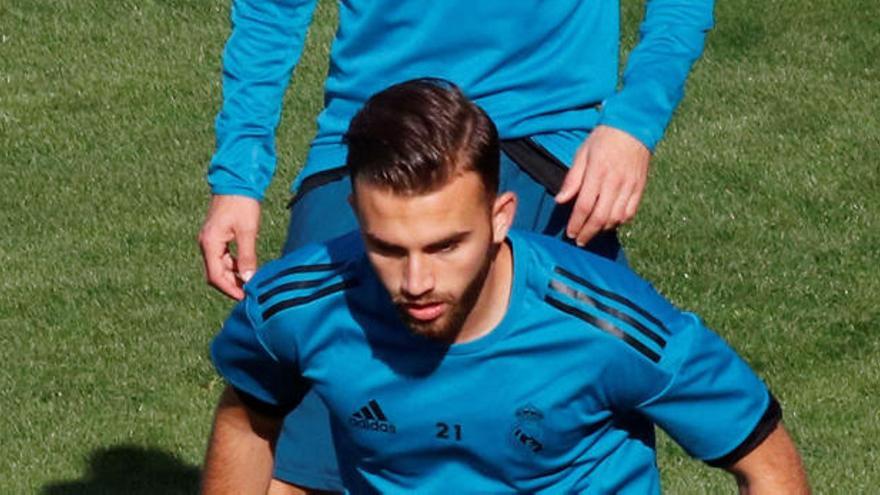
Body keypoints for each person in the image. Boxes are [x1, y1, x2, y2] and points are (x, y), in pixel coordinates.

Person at [198, 1, 716, 489]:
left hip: (545, 142)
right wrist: (238, 176)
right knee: (294, 469)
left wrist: (632, 124)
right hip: (375, 141)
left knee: (571, 447)